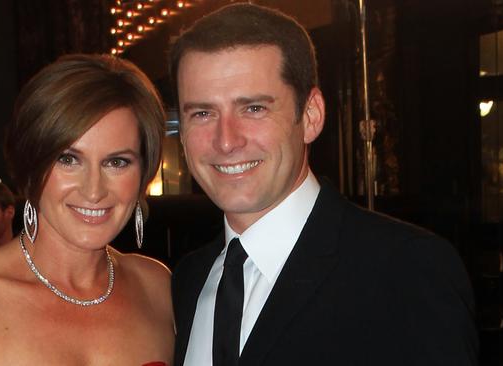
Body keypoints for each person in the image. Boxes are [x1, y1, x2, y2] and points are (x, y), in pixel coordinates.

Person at [169, 3, 477, 365]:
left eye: (253, 108)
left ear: (311, 116)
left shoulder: (407, 270)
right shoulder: (187, 279)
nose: (225, 141)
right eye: (202, 113)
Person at [0, 54, 174, 365]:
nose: (93, 190)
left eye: (117, 162)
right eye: (68, 159)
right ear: (31, 167)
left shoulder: (156, 287)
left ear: (144, 173)